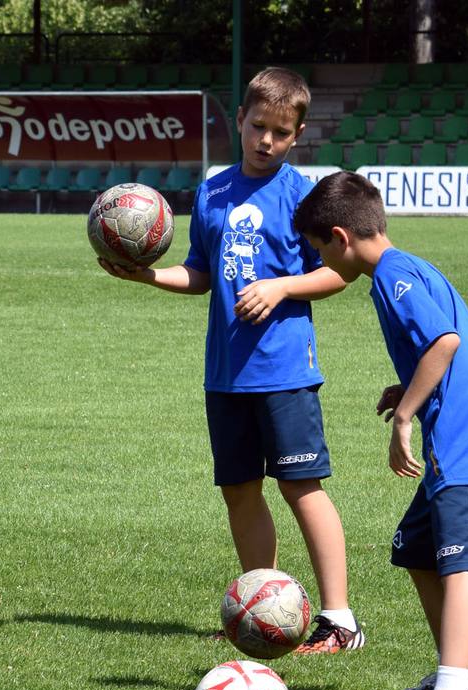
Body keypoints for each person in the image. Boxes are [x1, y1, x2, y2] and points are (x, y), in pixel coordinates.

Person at [98, 67, 362, 653]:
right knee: (240, 490)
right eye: (258, 127)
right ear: (239, 121)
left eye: (281, 132)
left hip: (285, 370)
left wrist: (281, 288)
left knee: (302, 487)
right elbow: (199, 272)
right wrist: (145, 275)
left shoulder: (302, 196)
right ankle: (263, 609)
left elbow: (339, 272)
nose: (267, 141)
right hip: (226, 373)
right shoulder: (212, 191)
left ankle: (340, 620)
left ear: (297, 136)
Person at [292, 172, 468, 690]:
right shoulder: (419, 267)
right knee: (417, 549)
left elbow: (443, 342)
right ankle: (457, 677)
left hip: (467, 438)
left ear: (342, 237)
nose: (320, 261)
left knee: (460, 559)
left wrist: (404, 417)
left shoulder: (393, 277)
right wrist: (409, 387)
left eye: (320, 249)